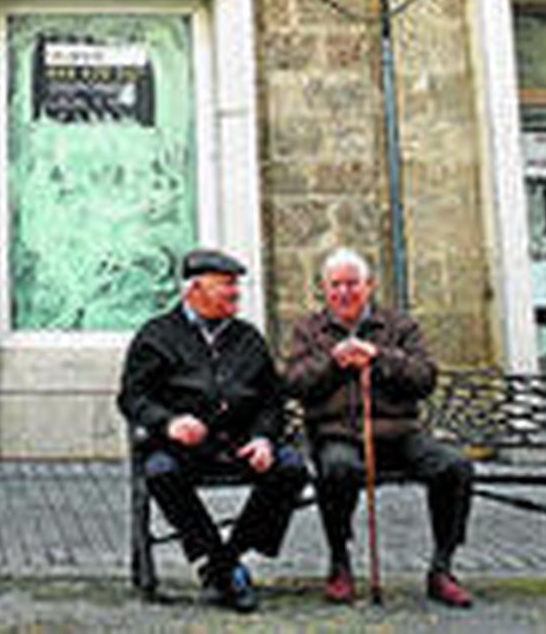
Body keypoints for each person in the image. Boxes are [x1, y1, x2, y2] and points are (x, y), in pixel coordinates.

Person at [118, 248, 309, 614]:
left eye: (235, 286)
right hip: (184, 449)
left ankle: (223, 562)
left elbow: (272, 400)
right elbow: (132, 397)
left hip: (240, 445)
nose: (235, 293)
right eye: (225, 286)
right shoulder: (156, 336)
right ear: (194, 291)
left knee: (291, 468)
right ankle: (224, 565)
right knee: (159, 472)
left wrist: (264, 437)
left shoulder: (248, 338)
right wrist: (169, 422)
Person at [283, 247, 475, 608]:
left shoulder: (398, 326)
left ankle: (442, 568)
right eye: (336, 285)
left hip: (398, 433)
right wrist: (333, 361)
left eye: (352, 284)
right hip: (337, 434)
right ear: (325, 289)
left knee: (454, 468)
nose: (344, 293)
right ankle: (340, 563)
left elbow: (424, 378)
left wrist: (379, 356)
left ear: (368, 286)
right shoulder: (309, 330)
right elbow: (293, 382)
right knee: (338, 470)